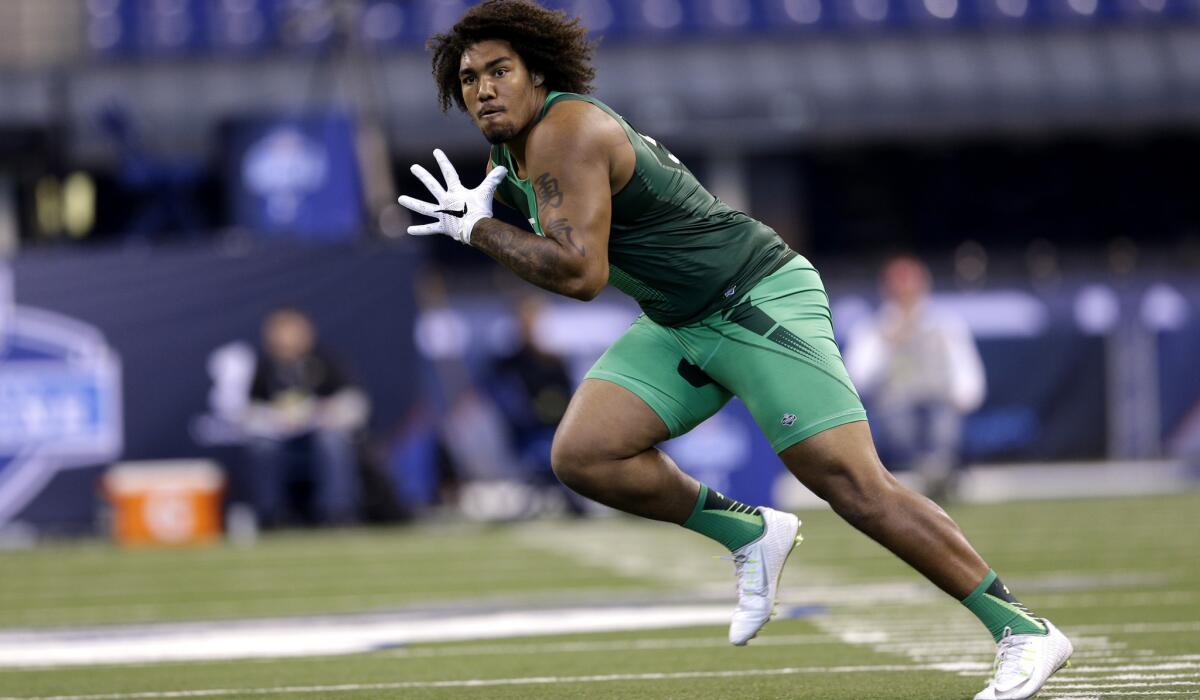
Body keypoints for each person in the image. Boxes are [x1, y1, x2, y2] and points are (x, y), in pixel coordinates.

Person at [397, 3, 1071, 697]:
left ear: (536, 72)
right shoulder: (520, 146)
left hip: (754, 300)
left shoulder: (565, 130)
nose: (482, 88)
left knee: (855, 488)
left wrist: (478, 232)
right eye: (470, 76)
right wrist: (492, 208)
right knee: (585, 453)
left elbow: (580, 274)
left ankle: (1022, 627)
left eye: (499, 70)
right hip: (680, 318)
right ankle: (751, 534)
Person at [845, 255, 986, 502]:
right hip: (895, 402)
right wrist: (886, 346)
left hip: (936, 397)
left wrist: (965, 396)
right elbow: (857, 378)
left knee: (943, 418)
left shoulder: (945, 324)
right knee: (899, 418)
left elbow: (965, 368)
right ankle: (924, 473)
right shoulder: (873, 328)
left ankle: (936, 469)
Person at [242, 307, 367, 527]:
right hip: (281, 441)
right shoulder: (264, 368)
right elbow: (250, 412)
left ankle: (336, 513)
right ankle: (272, 517)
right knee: (262, 447)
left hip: (317, 436)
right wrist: (276, 418)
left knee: (331, 441)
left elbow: (355, 403)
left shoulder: (325, 361)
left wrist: (325, 412)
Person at [485, 296, 587, 515]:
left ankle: (567, 495)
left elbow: (571, 398)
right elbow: (500, 400)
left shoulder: (554, 361)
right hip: (527, 434)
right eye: (523, 318)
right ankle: (561, 495)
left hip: (556, 430)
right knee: (543, 455)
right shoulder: (506, 364)